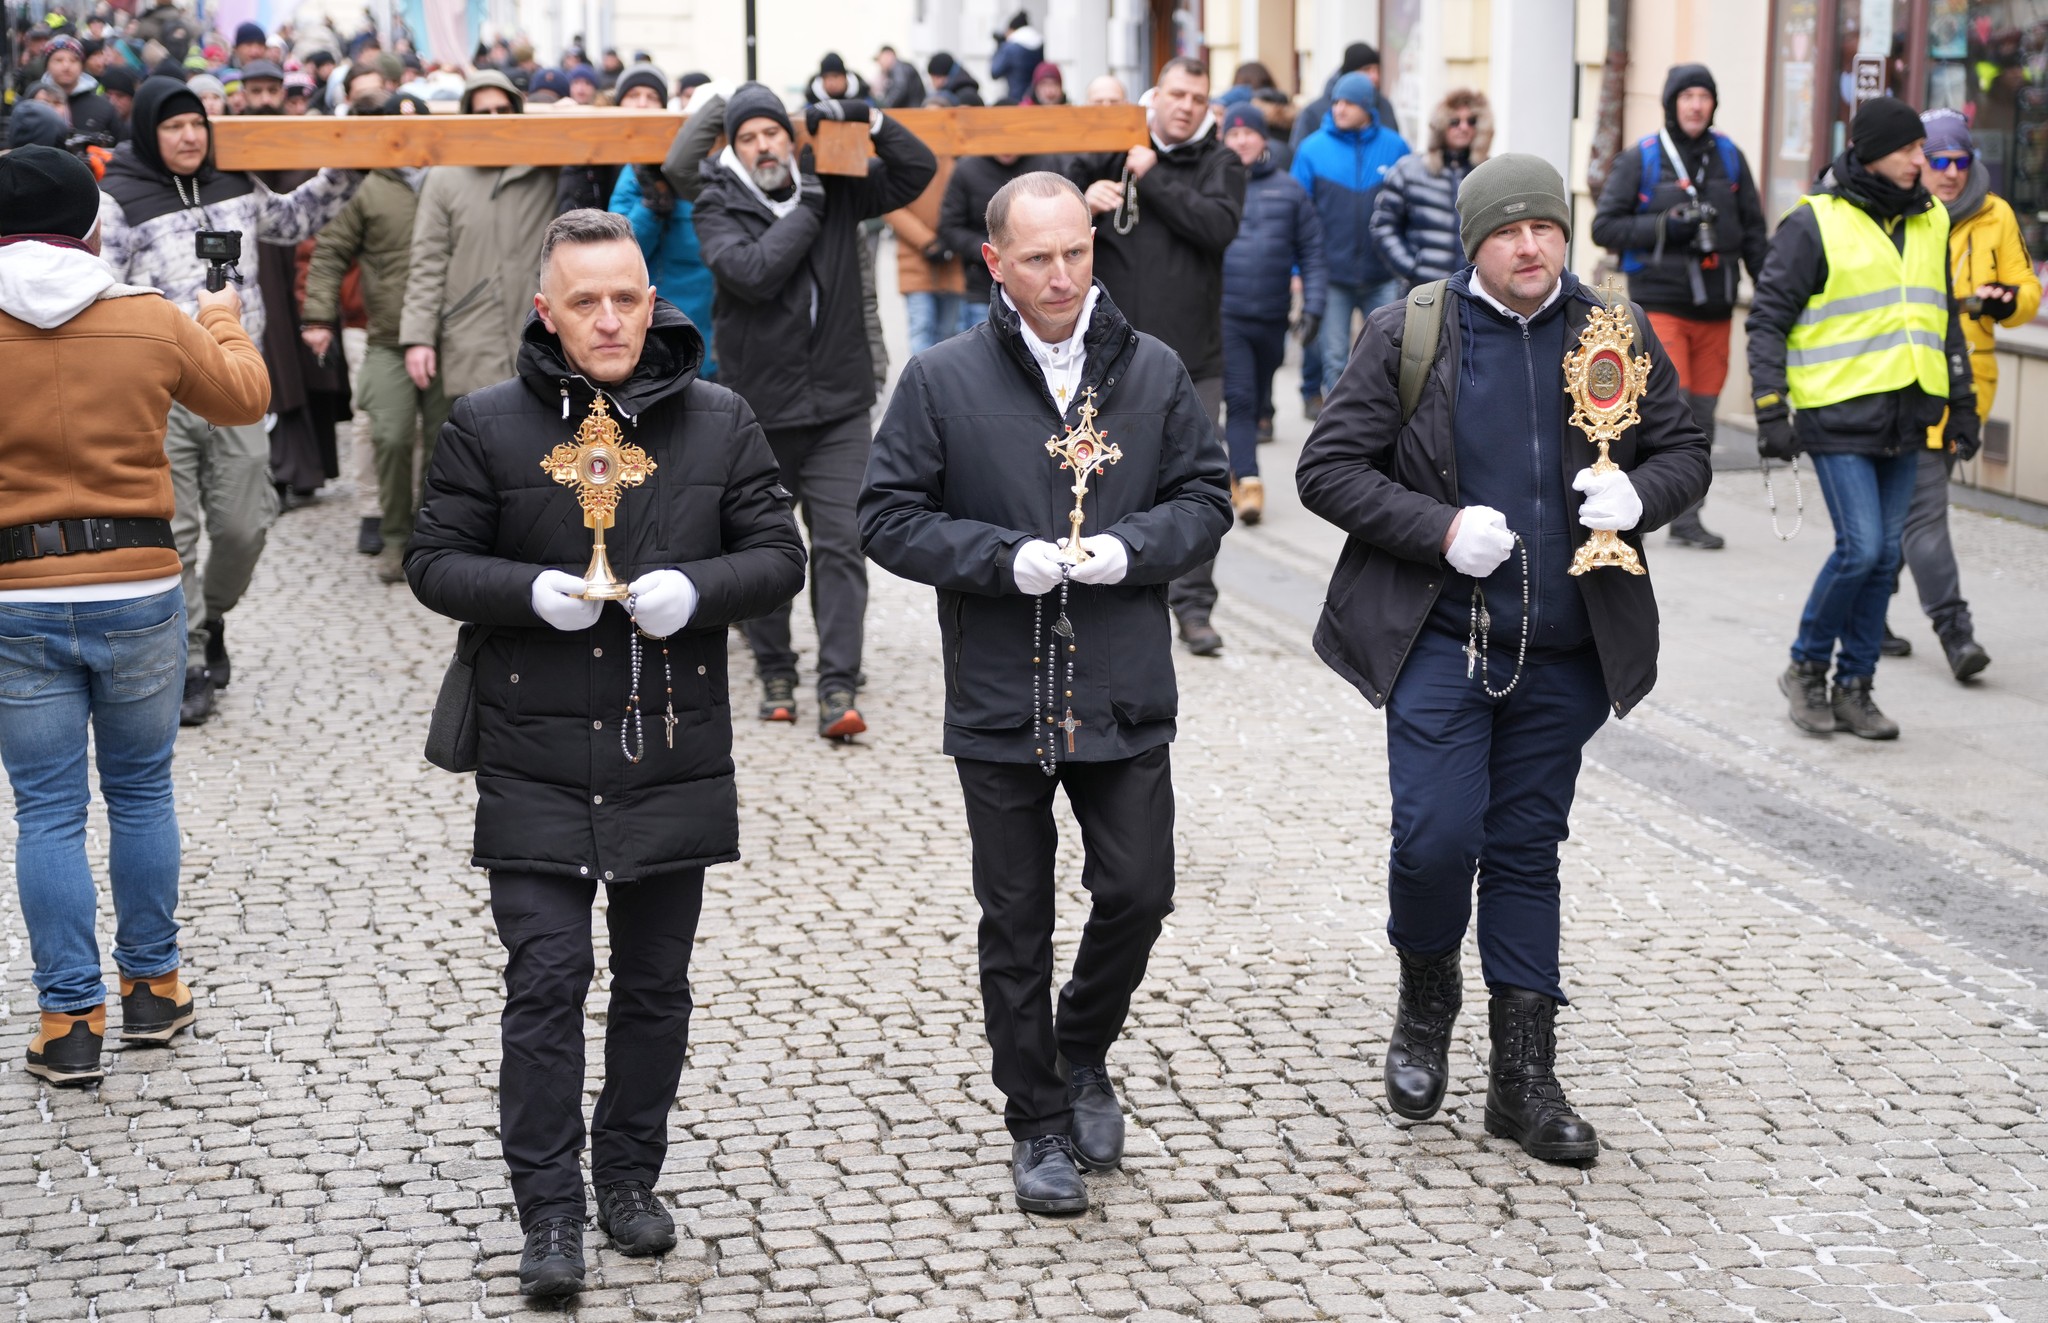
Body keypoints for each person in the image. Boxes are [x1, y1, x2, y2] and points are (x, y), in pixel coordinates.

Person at [407, 208, 805, 1299]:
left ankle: (627, 1179)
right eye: (584, 301)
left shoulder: (719, 422)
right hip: (531, 744)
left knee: (653, 987)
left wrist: (703, 589)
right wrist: (527, 594)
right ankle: (546, 1211)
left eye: (625, 296)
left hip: (665, 740)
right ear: (547, 312)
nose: (609, 318)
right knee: (546, 980)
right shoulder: (488, 425)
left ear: (652, 299)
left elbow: (780, 555)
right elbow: (433, 560)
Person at [1296, 153, 1711, 1165]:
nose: (1531, 247)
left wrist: (1643, 499)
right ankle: (1426, 992)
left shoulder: (1610, 331)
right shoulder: (1411, 333)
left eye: (1546, 229)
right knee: (1435, 839)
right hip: (1443, 640)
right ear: (1472, 239)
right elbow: (1325, 469)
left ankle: (1522, 1082)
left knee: (1526, 854)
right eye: (1509, 230)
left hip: (1564, 652)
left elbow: (1681, 452)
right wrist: (1436, 529)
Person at [860, 170, 1232, 1215]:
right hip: (999, 687)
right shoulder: (939, 379)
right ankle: (1036, 1123)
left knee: (1138, 890)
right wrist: (993, 557)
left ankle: (1081, 1047)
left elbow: (1205, 498)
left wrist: (1132, 547)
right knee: (1013, 920)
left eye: (1076, 251)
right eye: (1037, 258)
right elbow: (883, 517)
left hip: (1117, 680)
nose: (1063, 274)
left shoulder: (1151, 371)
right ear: (994, 263)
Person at [0, 147, 269, 1087]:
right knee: (143, 792)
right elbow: (246, 396)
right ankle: (153, 988)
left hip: (15, 594)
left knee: (46, 811)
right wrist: (224, 315)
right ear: (88, 228)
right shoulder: (149, 320)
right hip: (137, 584)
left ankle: (68, 1021)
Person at [670, 82, 936, 738]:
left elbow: (916, 169)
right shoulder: (717, 203)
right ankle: (776, 670)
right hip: (761, 409)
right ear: (734, 147)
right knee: (765, 547)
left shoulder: (837, 185)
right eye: (748, 136)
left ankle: (838, 682)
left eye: (772, 133)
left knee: (844, 544)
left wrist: (868, 118)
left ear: (791, 138)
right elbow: (754, 272)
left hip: (840, 405)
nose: (764, 146)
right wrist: (808, 207)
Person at [96, 74, 361, 726]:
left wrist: (349, 164)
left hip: (237, 383)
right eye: (174, 127)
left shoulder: (235, 188)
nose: (189, 137)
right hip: (160, 391)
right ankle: (184, 662)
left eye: (198, 125)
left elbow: (295, 217)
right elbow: (102, 288)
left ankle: (212, 618)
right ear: (150, 133)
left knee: (246, 525)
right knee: (176, 532)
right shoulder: (121, 202)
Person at [1746, 96, 1978, 741]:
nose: (1921, 160)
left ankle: (1856, 687)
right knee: (1863, 549)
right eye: (1909, 149)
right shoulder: (1814, 223)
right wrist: (1770, 406)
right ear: (1874, 151)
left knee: (1881, 562)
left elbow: (1944, 322)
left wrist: (1962, 405)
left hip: (1909, 414)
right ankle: (1805, 667)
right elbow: (1768, 318)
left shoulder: (1932, 220)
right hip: (1836, 410)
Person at [1068, 57, 1245, 657]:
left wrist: (1157, 177)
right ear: (1155, 96)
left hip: (1196, 357)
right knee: (1102, 475)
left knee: (1197, 482)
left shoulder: (1220, 163)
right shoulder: (1110, 145)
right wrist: (1083, 204)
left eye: (1197, 97)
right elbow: (1054, 211)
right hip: (1113, 354)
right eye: (1176, 93)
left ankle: (1194, 609)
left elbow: (1217, 226)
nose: (1186, 105)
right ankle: (1104, 590)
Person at [1886, 109, 2038, 680]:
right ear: (1921, 161)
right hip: (1904, 383)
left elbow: (2026, 291)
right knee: (1922, 512)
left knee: (1906, 509)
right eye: (1939, 160)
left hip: (1967, 387)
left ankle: (1866, 612)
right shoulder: (1902, 215)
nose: (1950, 173)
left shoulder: (1995, 214)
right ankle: (1955, 630)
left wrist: (2008, 303)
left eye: (1961, 161)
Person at [1591, 65, 1769, 551]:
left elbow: (1753, 230)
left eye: (1704, 96)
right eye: (1686, 96)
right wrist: (1666, 225)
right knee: (1672, 409)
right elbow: (1604, 227)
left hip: (1716, 306)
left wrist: (1771, 294)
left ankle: (1690, 518)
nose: (1695, 105)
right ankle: (1642, 506)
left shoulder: (1729, 157)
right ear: (1671, 104)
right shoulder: (1642, 159)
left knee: (1705, 413)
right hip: (1661, 306)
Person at [302, 114, 447, 584]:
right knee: (390, 434)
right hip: (386, 337)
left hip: (452, 337)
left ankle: (436, 541)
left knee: (447, 442)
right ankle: (395, 536)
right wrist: (320, 316)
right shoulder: (369, 189)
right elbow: (329, 251)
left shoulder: (453, 178)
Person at [399, 71, 558, 406]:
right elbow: (427, 262)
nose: (494, 120)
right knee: (481, 443)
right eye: (483, 112)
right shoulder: (443, 178)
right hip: (473, 331)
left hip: (541, 335)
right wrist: (418, 338)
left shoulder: (546, 167)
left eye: (503, 110)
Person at [1219, 101, 1324, 525]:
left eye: (1250, 133)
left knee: (1259, 398)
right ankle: (1249, 483)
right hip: (1227, 314)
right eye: (1234, 133)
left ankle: (1234, 468)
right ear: (1224, 139)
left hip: (1273, 316)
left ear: (1263, 138)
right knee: (1240, 400)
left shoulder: (1289, 190)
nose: (1242, 139)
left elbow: (1313, 252)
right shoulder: (1214, 186)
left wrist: (1314, 305)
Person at [1294, 71, 1411, 381]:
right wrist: (1297, 271)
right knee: (1334, 361)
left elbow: (1410, 207)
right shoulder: (1311, 149)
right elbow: (1297, 216)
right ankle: (1340, 430)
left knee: (1390, 358)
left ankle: (1382, 428)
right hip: (1332, 276)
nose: (1339, 109)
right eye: (1335, 102)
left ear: (1367, 106)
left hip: (1382, 274)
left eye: (1348, 103)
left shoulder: (1396, 147)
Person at [1370, 88, 1491, 287]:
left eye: (1471, 121)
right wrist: (1412, 268)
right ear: (1441, 125)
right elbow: (1383, 225)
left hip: (1475, 291)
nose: (1463, 127)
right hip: (1423, 291)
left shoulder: (1489, 173)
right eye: (1454, 121)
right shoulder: (1409, 170)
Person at [941, 150, 1056, 333]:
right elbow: (949, 227)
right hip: (984, 284)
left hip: (1040, 283)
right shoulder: (966, 169)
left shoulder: (1046, 163)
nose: (1007, 150)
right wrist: (993, 253)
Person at [886, 147, 966, 354]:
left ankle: (945, 385)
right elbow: (892, 207)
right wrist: (926, 241)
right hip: (916, 259)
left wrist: (952, 239)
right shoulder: (908, 161)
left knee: (951, 333)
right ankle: (922, 385)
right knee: (922, 328)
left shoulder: (961, 160)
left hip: (953, 261)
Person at [1291, 42, 1401, 147]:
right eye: (1366, 70)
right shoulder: (1313, 113)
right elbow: (1299, 158)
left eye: (1377, 70)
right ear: (1348, 73)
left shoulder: (1385, 107)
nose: (1375, 77)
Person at [40, 35, 122, 139]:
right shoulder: (35, 102)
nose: (66, 66)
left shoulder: (103, 107)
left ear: (82, 66)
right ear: (47, 65)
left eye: (73, 60)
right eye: (58, 60)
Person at [989, 12, 1044, 105]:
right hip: (1035, 100)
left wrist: (999, 47)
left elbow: (995, 72)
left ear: (1012, 29)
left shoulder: (1010, 48)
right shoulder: (1040, 44)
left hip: (1015, 99)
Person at [874, 45, 924, 110]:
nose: (880, 63)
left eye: (880, 59)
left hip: (910, 111)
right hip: (912, 109)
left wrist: (885, 106)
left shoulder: (899, 68)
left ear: (889, 55)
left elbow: (899, 89)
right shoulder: (898, 68)